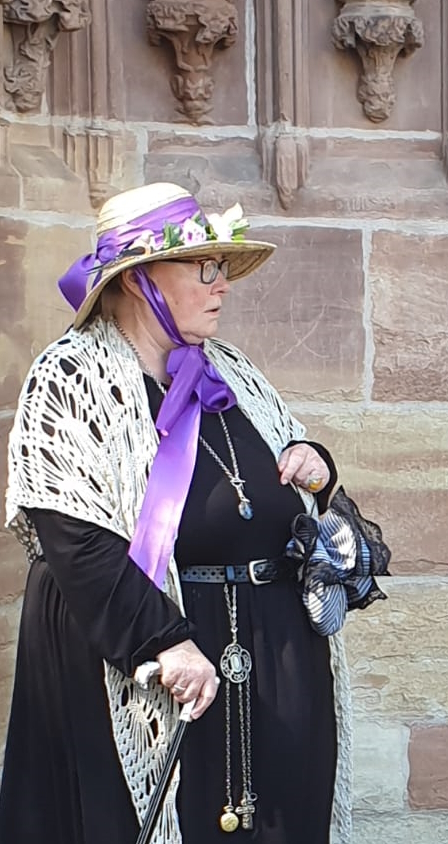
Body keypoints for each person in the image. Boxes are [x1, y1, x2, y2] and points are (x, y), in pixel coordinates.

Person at [1, 183, 355, 843]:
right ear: (140, 281)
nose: (221, 284)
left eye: (221, 267)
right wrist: (162, 641)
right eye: (203, 267)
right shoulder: (71, 378)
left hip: (271, 661)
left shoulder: (232, 372)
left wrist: (316, 465)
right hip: (159, 670)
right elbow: (71, 541)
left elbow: (288, 477)